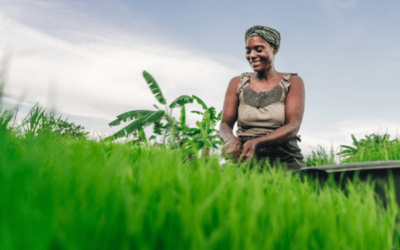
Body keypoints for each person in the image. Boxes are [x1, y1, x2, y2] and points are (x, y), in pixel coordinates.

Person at [219, 25, 305, 170]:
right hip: (245, 155)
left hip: (283, 156)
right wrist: (230, 139)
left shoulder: (293, 82)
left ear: (275, 49)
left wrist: (257, 142)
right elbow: (225, 124)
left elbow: (293, 127)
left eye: (259, 49)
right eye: (248, 51)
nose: (252, 55)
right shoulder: (237, 83)